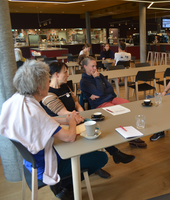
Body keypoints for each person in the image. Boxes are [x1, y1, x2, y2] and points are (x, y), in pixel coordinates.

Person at [0, 60, 108, 200]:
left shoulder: (18, 100)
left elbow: (44, 121)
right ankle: (65, 185)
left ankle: (64, 187)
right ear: (39, 87)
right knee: (100, 157)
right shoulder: (34, 111)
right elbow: (69, 137)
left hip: (30, 162)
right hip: (45, 165)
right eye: (47, 79)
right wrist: (71, 122)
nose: (49, 82)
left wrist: (66, 119)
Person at [41, 62, 136, 179]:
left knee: (97, 129)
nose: (68, 74)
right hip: (64, 126)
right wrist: (79, 117)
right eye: (65, 71)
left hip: (76, 118)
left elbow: (76, 103)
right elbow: (64, 113)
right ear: (56, 74)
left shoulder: (65, 87)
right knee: (93, 131)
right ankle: (109, 157)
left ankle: (111, 156)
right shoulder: (48, 94)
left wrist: (82, 114)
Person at [79, 56, 147, 148]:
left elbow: (110, 89)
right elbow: (100, 91)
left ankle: (131, 132)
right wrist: (97, 79)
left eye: (95, 66)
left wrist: (101, 92)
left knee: (128, 104)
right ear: (85, 67)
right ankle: (131, 137)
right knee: (119, 111)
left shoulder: (99, 75)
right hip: (99, 104)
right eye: (92, 66)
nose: (95, 68)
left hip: (110, 98)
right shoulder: (84, 81)